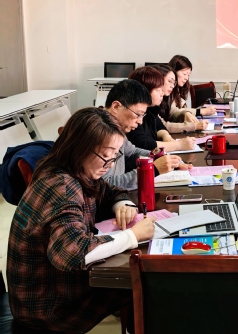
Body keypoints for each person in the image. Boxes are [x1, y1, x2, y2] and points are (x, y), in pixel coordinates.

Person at [7, 108, 155, 333]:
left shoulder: (76, 170)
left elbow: (108, 191)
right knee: (143, 285)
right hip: (46, 308)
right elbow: (72, 254)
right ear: (80, 148)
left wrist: (122, 205)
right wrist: (132, 236)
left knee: (138, 283)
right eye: (106, 156)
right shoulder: (62, 186)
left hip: (54, 289)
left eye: (115, 155)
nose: (111, 164)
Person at [102, 78, 190, 190]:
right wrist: (153, 169)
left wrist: (160, 158)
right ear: (116, 107)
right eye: (137, 114)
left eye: (142, 115)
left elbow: (132, 152)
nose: (140, 122)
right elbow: (104, 185)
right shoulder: (99, 133)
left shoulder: (115, 128)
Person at [127, 66, 195, 152]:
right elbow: (142, 143)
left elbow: (160, 126)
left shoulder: (151, 109)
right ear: (145, 90)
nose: (162, 93)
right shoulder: (134, 113)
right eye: (158, 90)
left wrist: (165, 135)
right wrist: (178, 145)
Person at [152, 64, 209, 133]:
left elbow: (172, 112)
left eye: (174, 83)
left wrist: (185, 113)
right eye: (169, 81)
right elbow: (162, 126)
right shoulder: (151, 101)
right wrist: (194, 126)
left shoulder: (168, 94)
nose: (172, 86)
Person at [168, 55, 217, 122]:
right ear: (173, 72)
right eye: (184, 74)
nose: (186, 78)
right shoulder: (168, 89)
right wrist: (201, 111)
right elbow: (173, 112)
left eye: (188, 75)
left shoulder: (179, 89)